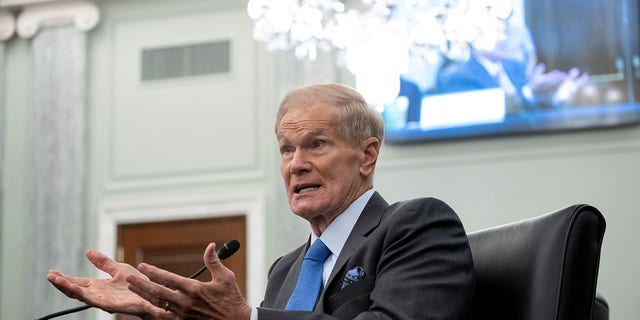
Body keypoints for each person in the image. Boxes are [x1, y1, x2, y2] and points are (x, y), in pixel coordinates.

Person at [47, 83, 475, 320]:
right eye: (287, 150)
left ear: (367, 155)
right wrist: (167, 312)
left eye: (317, 145)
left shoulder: (416, 224)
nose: (297, 165)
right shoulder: (287, 269)